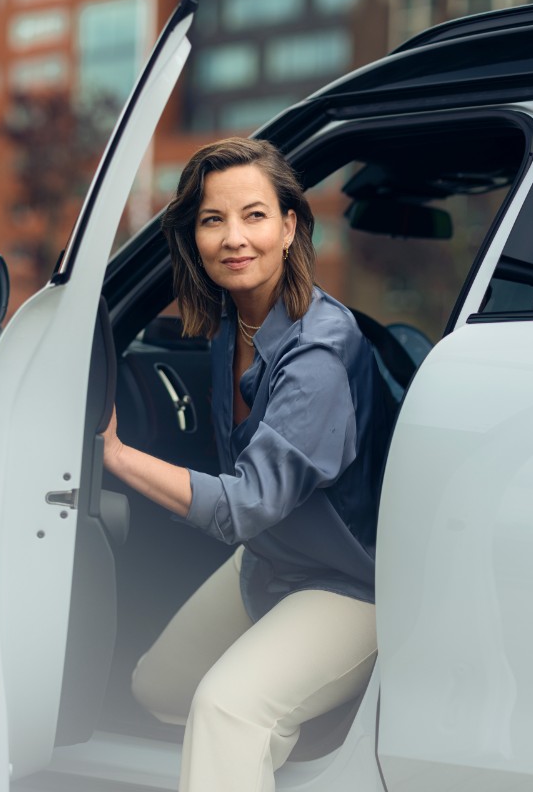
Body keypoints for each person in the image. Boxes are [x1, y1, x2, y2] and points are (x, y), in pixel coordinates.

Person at [102, 136, 394, 792]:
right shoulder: (233, 324)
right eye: (214, 220)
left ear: (289, 227)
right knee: (158, 689)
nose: (234, 238)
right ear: (194, 238)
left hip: (349, 585)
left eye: (254, 215)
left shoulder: (320, 352)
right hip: (269, 563)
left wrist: (116, 455)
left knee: (227, 710)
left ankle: (253, 738)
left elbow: (242, 506)